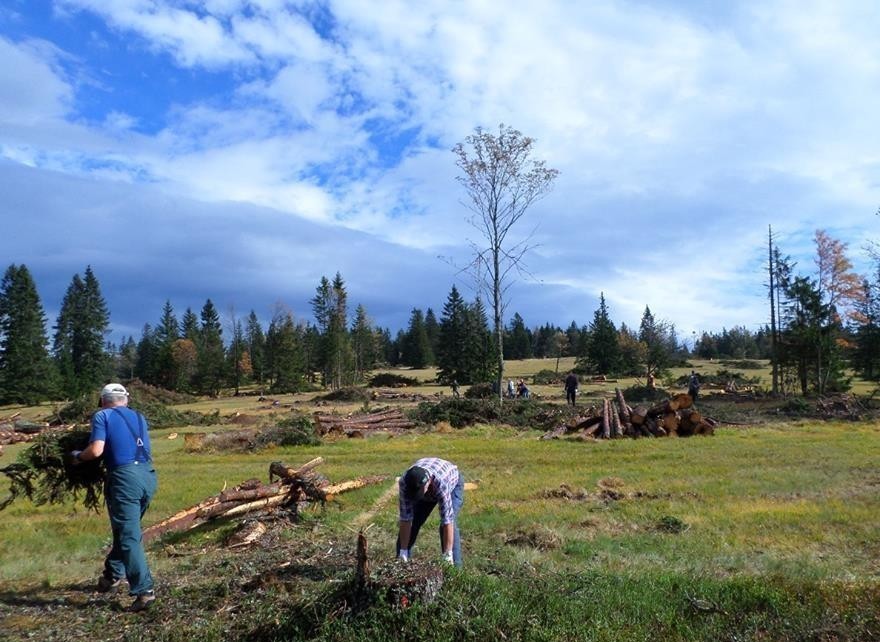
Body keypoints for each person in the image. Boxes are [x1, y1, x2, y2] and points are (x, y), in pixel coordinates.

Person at [70, 383, 158, 612]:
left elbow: (97, 450)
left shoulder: (103, 416)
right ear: (125, 400)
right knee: (127, 529)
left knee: (129, 535)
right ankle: (112, 575)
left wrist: (78, 456)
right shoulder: (140, 417)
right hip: (148, 476)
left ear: (103, 400)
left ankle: (144, 592)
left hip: (124, 479)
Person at [396, 457, 464, 567]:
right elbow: (405, 518)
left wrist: (447, 555)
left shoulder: (441, 483)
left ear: (428, 483)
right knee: (413, 523)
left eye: (418, 493)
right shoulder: (404, 483)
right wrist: (403, 551)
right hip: (429, 486)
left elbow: (447, 520)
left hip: (453, 484)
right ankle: (402, 565)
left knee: (445, 527)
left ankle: (455, 571)